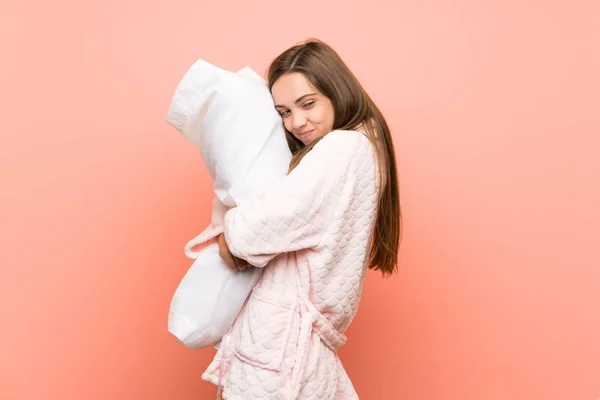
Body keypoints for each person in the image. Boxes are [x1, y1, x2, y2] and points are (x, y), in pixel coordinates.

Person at [204, 38, 402, 399]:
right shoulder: (365, 147)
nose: (297, 122)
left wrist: (228, 227)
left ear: (337, 91)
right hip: (293, 343)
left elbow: (261, 229)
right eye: (283, 112)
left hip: (281, 344)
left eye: (307, 104)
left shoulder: (342, 148)